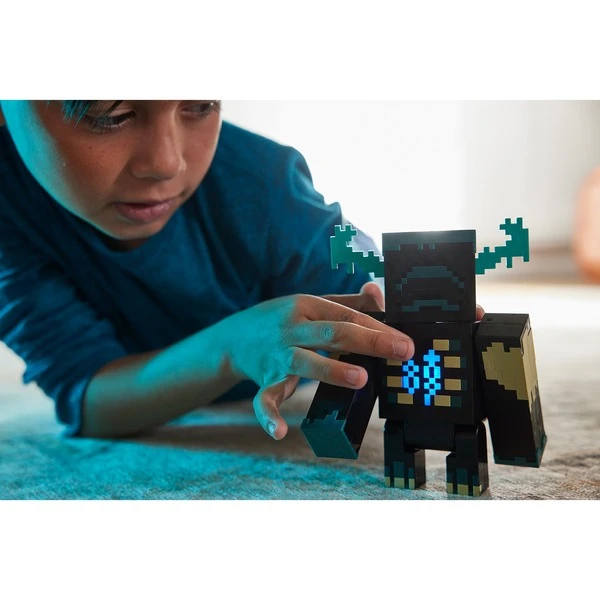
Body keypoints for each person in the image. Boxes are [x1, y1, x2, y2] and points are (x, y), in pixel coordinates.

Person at [0, 100, 429, 441]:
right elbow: (87, 397)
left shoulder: (266, 186)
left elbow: (378, 296)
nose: (167, 162)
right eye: (110, 114)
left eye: (200, 105)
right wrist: (231, 347)